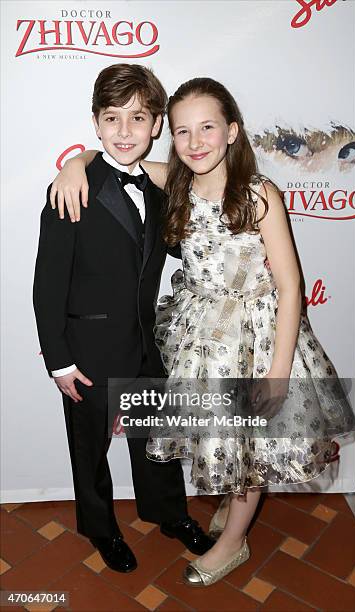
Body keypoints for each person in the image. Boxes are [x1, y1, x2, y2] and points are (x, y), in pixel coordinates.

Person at [50, 77, 355, 587]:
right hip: (199, 334)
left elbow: (290, 285)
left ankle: (234, 541)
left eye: (208, 128)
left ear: (232, 131)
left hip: (256, 337)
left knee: (251, 440)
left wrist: (279, 373)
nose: (195, 142)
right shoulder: (176, 184)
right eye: (183, 131)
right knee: (224, 440)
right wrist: (73, 162)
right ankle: (229, 513)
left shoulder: (260, 194)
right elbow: (114, 161)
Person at [33, 64, 213, 575]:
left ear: (157, 124)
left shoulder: (160, 189)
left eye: (138, 118)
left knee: (154, 442)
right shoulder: (72, 188)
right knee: (88, 451)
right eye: (112, 119)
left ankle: (169, 515)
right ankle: (101, 528)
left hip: (144, 344)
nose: (125, 131)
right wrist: (59, 362)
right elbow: (47, 283)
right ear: (96, 123)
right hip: (85, 351)